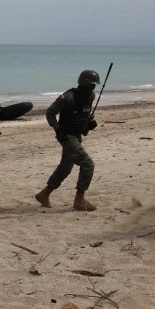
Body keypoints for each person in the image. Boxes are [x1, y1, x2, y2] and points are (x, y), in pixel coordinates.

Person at [34, 70, 100, 211]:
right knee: (88, 164)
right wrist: (58, 130)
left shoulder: (91, 96)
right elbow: (50, 112)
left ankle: (44, 194)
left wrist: (91, 122)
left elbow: (84, 113)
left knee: (65, 167)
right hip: (67, 136)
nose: (92, 89)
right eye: (90, 85)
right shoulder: (68, 97)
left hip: (77, 136)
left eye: (94, 86)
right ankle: (79, 199)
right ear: (83, 84)